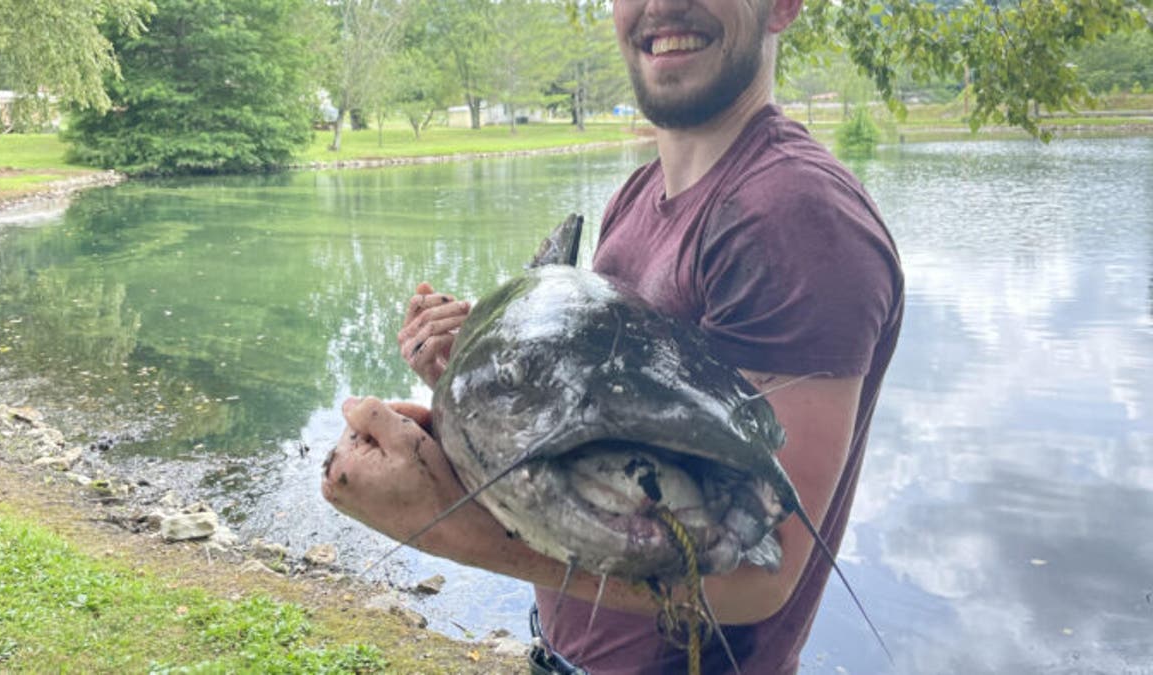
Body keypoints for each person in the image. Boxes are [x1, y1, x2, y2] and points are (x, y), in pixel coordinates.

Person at [321, 0, 904, 672]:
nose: (661, 6)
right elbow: (592, 412)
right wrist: (476, 381)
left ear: (783, 6)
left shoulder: (795, 218)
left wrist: (445, 521)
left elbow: (760, 577)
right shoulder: (638, 194)